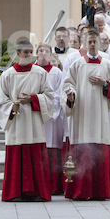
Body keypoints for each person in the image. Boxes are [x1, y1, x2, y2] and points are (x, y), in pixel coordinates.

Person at [61, 30, 110, 200]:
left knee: (100, 150)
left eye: (94, 42)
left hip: (101, 117)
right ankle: (80, 191)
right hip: (81, 116)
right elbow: (68, 85)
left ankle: (100, 191)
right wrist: (70, 95)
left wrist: (105, 84)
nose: (92, 44)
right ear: (84, 43)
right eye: (89, 41)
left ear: (100, 43)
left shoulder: (108, 64)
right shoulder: (77, 64)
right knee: (82, 152)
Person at [0, 40, 54, 202]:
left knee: (35, 156)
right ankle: (14, 193)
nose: (28, 55)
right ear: (18, 53)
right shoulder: (7, 75)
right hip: (17, 122)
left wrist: (33, 99)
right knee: (16, 158)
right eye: (25, 52)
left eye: (30, 51)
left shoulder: (40, 73)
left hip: (34, 122)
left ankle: (37, 192)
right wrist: (11, 108)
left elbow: (50, 97)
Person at [35, 42, 66, 194]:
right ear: (37, 53)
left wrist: (52, 113)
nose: (43, 54)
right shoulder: (32, 71)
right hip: (35, 116)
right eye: (41, 51)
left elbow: (59, 94)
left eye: (46, 51)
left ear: (50, 54)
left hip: (52, 119)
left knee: (52, 148)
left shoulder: (56, 72)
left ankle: (54, 186)